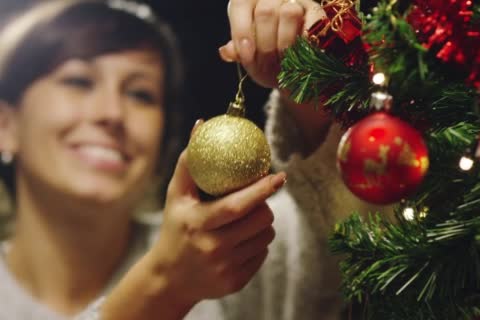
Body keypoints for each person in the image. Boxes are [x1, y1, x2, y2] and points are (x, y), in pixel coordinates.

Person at [0, 1, 385, 319]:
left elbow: (356, 242)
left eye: (141, 95)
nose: (112, 113)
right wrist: (164, 285)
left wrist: (308, 92)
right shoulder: (199, 264)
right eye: (79, 82)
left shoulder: (238, 252)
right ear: (6, 124)